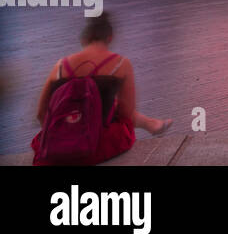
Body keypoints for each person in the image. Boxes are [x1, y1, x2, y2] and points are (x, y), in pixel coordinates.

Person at [32, 13, 171, 165]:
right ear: (109, 38)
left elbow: (41, 114)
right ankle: (152, 124)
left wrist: (64, 133)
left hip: (57, 150)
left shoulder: (59, 66)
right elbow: (126, 113)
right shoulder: (120, 64)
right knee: (120, 117)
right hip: (96, 145)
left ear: (84, 39)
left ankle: (152, 124)